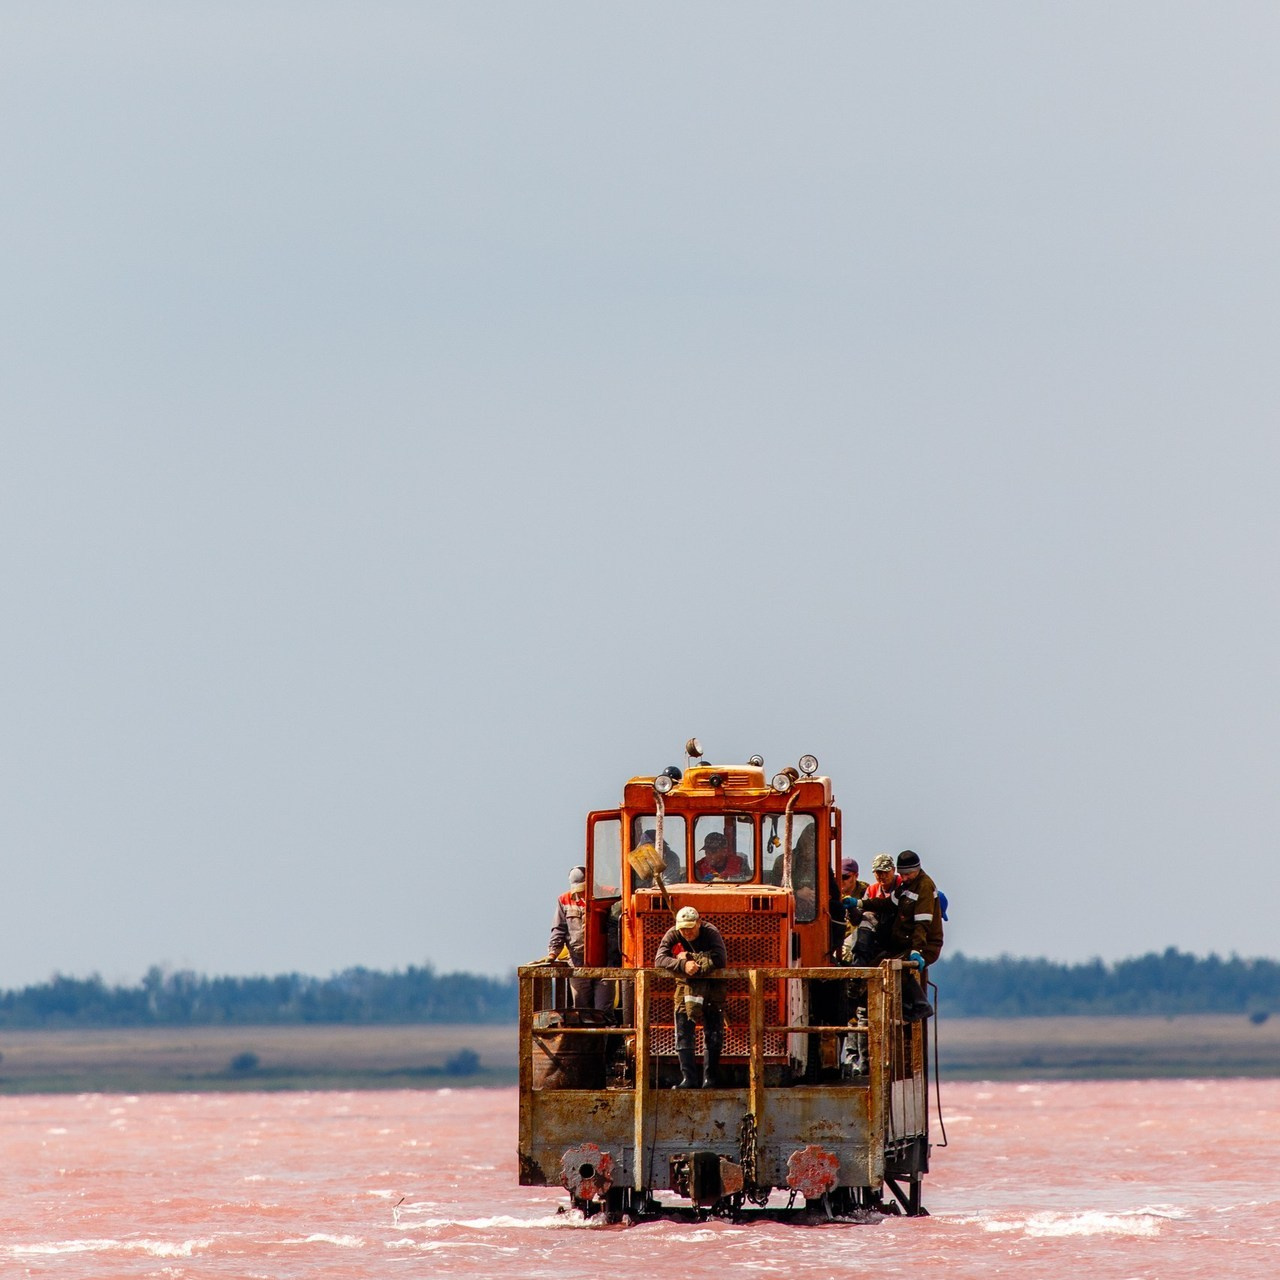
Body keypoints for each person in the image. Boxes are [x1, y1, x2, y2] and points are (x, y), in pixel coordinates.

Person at [655, 906, 727, 1087]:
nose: (686, 932)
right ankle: (688, 1080)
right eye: (683, 929)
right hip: (685, 987)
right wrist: (683, 964)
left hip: (712, 988)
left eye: (690, 928)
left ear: (699, 923)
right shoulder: (674, 933)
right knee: (684, 1031)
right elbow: (659, 959)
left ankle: (710, 1080)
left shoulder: (710, 932)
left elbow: (720, 959)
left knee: (713, 1032)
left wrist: (689, 959)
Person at [544, 866, 613, 1013]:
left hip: (605, 961)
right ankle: (586, 1035)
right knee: (581, 1009)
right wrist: (553, 953)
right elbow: (559, 929)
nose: (580, 893)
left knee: (603, 1009)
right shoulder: (564, 900)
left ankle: (605, 1035)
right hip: (577, 962)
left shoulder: (609, 895)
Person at [887, 849, 944, 1021]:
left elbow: (922, 923)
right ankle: (906, 1006)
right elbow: (888, 904)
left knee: (900, 967)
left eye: (908, 874)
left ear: (917, 869)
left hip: (926, 945)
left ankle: (921, 1005)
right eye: (901, 874)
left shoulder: (925, 886)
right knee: (882, 964)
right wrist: (861, 903)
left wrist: (917, 950)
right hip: (910, 944)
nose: (904, 878)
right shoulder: (906, 886)